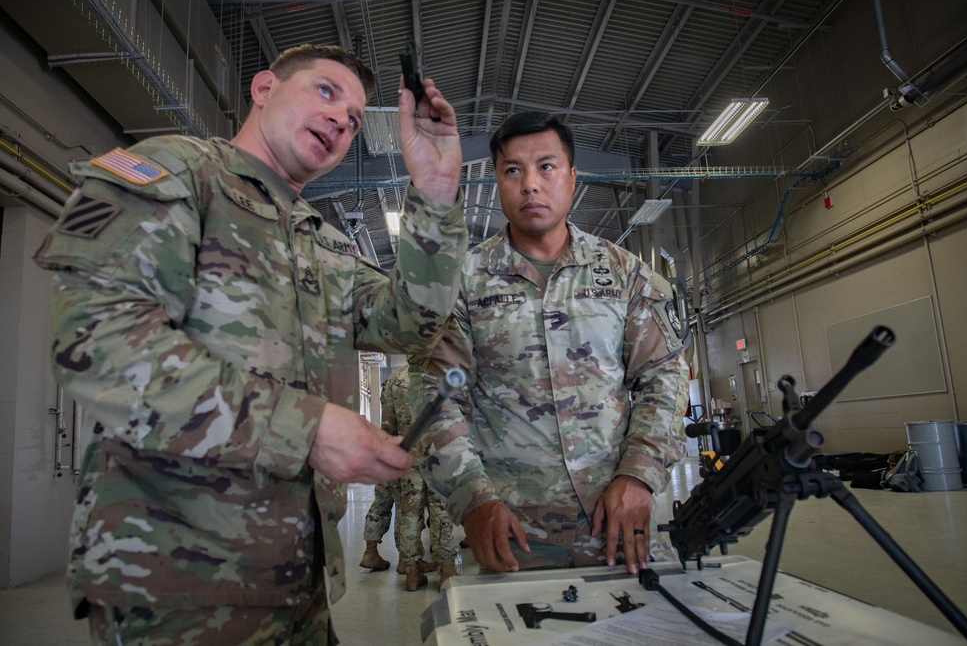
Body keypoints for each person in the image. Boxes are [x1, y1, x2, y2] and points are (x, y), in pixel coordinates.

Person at [33, 43, 466, 645]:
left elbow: (410, 324)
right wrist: (308, 428)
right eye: (325, 91)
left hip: (298, 580)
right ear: (264, 89)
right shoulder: (180, 174)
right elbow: (96, 338)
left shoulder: (320, 242)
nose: (343, 117)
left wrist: (437, 194)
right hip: (180, 580)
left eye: (357, 117)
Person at [410, 111, 688, 578]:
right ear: (497, 181)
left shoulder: (624, 274)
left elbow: (664, 376)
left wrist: (640, 473)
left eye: (546, 167)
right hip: (512, 535)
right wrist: (473, 498)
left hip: (619, 527)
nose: (530, 185)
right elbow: (437, 397)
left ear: (573, 177)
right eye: (513, 170)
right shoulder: (461, 282)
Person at [379, 364, 458, 591]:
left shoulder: (395, 379)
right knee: (441, 513)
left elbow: (388, 425)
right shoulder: (443, 375)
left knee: (409, 513)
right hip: (440, 455)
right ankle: (446, 570)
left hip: (409, 455)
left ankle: (412, 572)